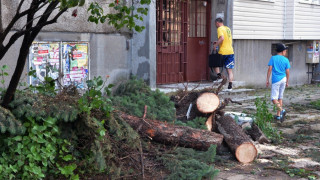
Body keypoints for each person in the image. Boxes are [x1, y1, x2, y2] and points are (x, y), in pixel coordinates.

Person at [266, 43, 290, 122]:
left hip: (276, 80)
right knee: (280, 97)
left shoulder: (273, 58)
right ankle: (278, 115)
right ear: (282, 51)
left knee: (273, 98)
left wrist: (267, 79)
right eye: (285, 51)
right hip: (283, 79)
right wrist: (287, 81)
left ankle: (282, 110)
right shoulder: (286, 60)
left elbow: (269, 69)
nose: (286, 52)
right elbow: (287, 71)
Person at [213, 17, 234, 90]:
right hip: (230, 51)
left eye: (215, 24)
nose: (215, 25)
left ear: (217, 23)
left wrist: (215, 45)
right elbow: (225, 39)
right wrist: (218, 42)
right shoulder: (227, 28)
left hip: (223, 52)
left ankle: (219, 77)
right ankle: (230, 86)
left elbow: (222, 38)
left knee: (215, 63)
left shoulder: (219, 29)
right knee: (229, 70)